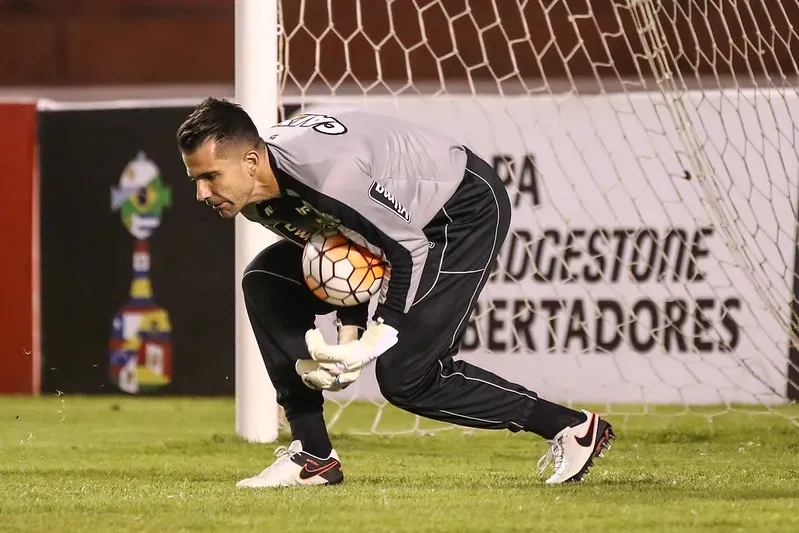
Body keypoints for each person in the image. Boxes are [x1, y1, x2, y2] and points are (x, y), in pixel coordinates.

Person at [176, 97, 615, 488]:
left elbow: (405, 250)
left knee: (407, 376)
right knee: (266, 281)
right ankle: (313, 455)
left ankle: (571, 427)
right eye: (196, 179)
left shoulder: (329, 179)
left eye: (211, 176)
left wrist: (372, 342)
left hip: (458, 211)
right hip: (397, 228)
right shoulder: (255, 197)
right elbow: (347, 252)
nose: (201, 193)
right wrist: (349, 335)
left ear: (251, 161)